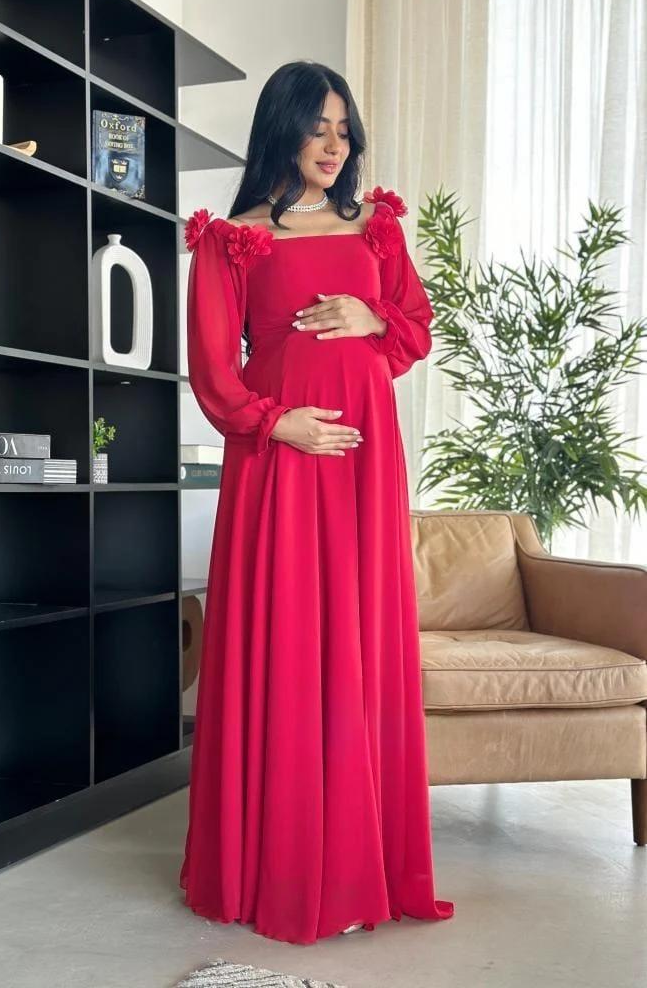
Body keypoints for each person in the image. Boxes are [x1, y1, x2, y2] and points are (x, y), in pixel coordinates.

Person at [179, 59, 454, 946]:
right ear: (282, 130)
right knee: (290, 638)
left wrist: (373, 319)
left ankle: (362, 863)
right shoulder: (233, 239)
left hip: (363, 468)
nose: (333, 145)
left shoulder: (377, 228)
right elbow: (213, 370)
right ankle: (283, 866)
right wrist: (278, 424)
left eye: (344, 129)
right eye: (317, 126)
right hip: (279, 466)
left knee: (360, 642)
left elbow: (413, 326)